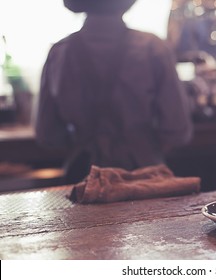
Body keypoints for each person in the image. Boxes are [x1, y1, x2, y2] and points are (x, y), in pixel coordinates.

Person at [34, 0, 193, 183]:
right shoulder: (152, 48)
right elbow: (177, 129)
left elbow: (47, 134)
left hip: (83, 176)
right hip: (144, 173)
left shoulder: (60, 52)